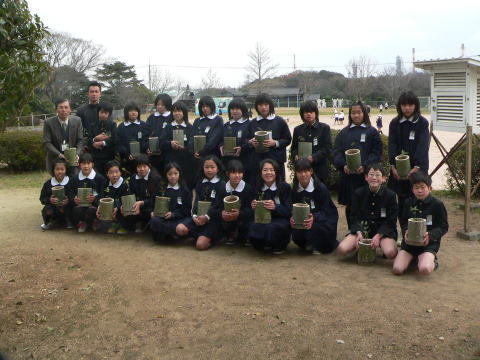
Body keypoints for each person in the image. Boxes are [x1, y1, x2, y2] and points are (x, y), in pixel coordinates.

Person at [333, 101, 383, 227]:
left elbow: (376, 153)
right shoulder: (343, 133)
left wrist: (365, 166)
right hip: (348, 177)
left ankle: (367, 233)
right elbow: (336, 152)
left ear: (364, 113)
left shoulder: (372, 132)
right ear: (350, 115)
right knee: (351, 206)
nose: (356, 115)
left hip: (365, 177)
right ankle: (352, 231)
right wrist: (343, 165)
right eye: (353, 113)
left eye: (359, 112)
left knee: (367, 204)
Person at [336, 164, 398, 260]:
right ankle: (357, 247)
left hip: (382, 232)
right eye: (371, 174)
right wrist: (359, 233)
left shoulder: (391, 196)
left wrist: (379, 235)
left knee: (391, 253)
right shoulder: (358, 193)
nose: (374, 177)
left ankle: (382, 244)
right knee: (341, 249)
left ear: (384, 179)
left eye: (377, 175)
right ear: (366, 177)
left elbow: (391, 221)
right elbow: (353, 216)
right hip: (362, 230)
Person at [393, 172, 448, 275]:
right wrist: (406, 231)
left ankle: (432, 261)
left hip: (428, 244)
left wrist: (430, 235)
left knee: (424, 269)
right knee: (397, 269)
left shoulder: (437, 204)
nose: (419, 190)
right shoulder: (408, 202)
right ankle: (414, 258)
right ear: (412, 190)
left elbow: (443, 226)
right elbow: (403, 221)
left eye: (423, 187)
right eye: (416, 188)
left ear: (430, 188)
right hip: (409, 244)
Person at [388, 91, 430, 217]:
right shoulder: (395, 123)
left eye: (410, 105)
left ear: (416, 105)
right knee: (402, 201)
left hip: (418, 168)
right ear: (399, 106)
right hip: (399, 170)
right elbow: (392, 145)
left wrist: (416, 167)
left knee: (418, 197)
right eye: (404, 105)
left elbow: (422, 147)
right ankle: (405, 230)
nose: (407, 108)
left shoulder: (422, 123)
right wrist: (392, 166)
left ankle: (419, 231)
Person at [176, 155, 226, 250]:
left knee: (200, 245)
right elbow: (195, 201)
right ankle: (200, 235)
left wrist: (207, 217)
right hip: (198, 218)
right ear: (202, 168)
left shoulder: (222, 185)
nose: (209, 170)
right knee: (179, 229)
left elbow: (219, 207)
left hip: (212, 220)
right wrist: (194, 216)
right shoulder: (200, 182)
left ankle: (215, 237)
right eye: (206, 167)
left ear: (218, 168)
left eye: (212, 167)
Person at [290, 158, 338, 254]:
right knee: (297, 233)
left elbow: (326, 211)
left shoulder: (320, 188)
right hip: (304, 221)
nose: (303, 175)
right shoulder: (294, 189)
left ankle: (319, 245)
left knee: (315, 229)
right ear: (296, 173)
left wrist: (314, 217)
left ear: (311, 171)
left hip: (323, 219)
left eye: (306, 171)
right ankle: (307, 243)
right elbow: (291, 208)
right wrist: (292, 217)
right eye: (300, 172)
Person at [207, 159, 255, 246]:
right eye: (233, 173)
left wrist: (240, 213)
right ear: (227, 174)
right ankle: (229, 235)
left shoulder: (248, 189)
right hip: (227, 221)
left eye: (240, 172)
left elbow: (252, 210)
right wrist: (222, 213)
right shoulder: (222, 189)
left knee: (248, 223)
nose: (237, 176)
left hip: (244, 220)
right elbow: (213, 209)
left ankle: (244, 236)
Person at [249, 159, 292, 255]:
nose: (268, 173)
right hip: (261, 219)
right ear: (260, 172)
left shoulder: (284, 187)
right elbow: (250, 211)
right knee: (253, 226)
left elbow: (289, 211)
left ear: (276, 172)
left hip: (280, 220)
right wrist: (253, 207)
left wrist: (275, 207)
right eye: (265, 170)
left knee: (273, 228)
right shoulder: (256, 187)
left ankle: (279, 245)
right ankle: (264, 244)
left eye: (271, 170)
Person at [247, 93, 292, 182]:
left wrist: (275, 143)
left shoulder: (279, 121)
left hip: (276, 161)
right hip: (258, 162)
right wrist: (250, 142)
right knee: (260, 186)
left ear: (270, 106)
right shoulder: (253, 123)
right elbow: (246, 139)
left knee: (279, 186)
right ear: (256, 107)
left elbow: (288, 139)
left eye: (266, 105)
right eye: (260, 105)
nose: (263, 107)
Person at [290, 100, 332, 183]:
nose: (309, 114)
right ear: (302, 114)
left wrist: (314, 157)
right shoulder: (297, 130)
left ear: (316, 113)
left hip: (320, 169)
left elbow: (328, 148)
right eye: (306, 112)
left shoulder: (324, 128)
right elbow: (294, 148)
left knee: (320, 194)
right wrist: (295, 156)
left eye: (311, 111)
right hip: (302, 170)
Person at [150, 162, 192, 242]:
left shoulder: (185, 190)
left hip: (179, 218)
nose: (173, 176)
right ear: (166, 175)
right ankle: (175, 234)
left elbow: (187, 210)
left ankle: (173, 233)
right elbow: (153, 201)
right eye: (170, 174)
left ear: (179, 174)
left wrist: (173, 214)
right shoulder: (161, 188)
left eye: (176, 173)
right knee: (155, 221)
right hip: (163, 218)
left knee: (183, 225)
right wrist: (153, 211)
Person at [118, 155, 161, 233]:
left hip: (150, 206)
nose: (142, 169)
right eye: (139, 166)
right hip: (136, 205)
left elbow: (155, 199)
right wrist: (126, 204)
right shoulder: (134, 178)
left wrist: (142, 203)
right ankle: (130, 228)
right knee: (121, 209)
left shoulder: (155, 178)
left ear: (149, 166)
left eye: (144, 166)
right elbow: (130, 193)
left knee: (152, 214)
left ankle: (146, 227)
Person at [43, 99, 84, 176]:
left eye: (66, 107)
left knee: (73, 183)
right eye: (61, 107)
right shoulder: (48, 122)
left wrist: (77, 154)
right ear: (56, 110)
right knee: (58, 186)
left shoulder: (77, 120)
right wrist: (60, 155)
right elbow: (47, 143)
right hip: (56, 159)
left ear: (70, 109)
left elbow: (80, 140)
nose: (63, 110)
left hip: (73, 160)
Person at [160, 101, 196, 189]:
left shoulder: (190, 127)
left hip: (186, 162)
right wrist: (170, 143)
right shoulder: (168, 127)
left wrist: (185, 147)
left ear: (184, 112)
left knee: (186, 187)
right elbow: (161, 142)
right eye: (175, 111)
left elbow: (193, 144)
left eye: (179, 111)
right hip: (171, 161)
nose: (177, 113)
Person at [71, 153, 106, 233]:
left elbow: (103, 193)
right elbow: (70, 192)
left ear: (92, 164)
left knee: (91, 211)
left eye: (88, 163)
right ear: (79, 165)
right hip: (79, 205)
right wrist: (74, 199)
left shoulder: (99, 178)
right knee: (76, 210)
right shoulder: (74, 179)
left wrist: (95, 198)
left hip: (94, 206)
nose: (86, 166)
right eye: (83, 163)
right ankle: (82, 222)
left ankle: (95, 221)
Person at [219, 98, 251, 181]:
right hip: (228, 162)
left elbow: (252, 141)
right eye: (232, 109)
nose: (234, 111)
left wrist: (242, 147)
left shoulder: (250, 124)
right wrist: (221, 146)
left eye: (237, 109)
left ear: (243, 110)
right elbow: (220, 140)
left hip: (244, 162)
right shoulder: (226, 125)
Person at [116, 102, 150, 175]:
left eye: (135, 111)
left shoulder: (144, 125)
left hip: (142, 161)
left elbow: (146, 140)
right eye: (131, 111)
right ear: (126, 113)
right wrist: (127, 154)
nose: (133, 113)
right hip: (127, 160)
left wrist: (144, 152)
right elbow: (119, 144)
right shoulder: (121, 127)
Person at [39, 159, 74, 230]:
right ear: (53, 170)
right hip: (53, 207)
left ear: (66, 170)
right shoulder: (48, 184)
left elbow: (75, 195)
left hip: (67, 208)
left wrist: (69, 200)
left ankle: (69, 221)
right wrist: (49, 200)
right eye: (57, 169)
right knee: (47, 210)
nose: (60, 171)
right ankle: (51, 221)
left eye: (62, 169)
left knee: (72, 208)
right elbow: (42, 198)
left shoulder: (71, 182)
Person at [97, 160, 130, 234]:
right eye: (111, 172)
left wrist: (117, 207)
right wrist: (99, 205)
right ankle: (113, 224)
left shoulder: (125, 184)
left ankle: (124, 226)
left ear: (120, 172)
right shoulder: (105, 183)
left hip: (120, 209)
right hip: (109, 209)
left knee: (124, 209)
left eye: (116, 172)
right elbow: (101, 196)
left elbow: (125, 200)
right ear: (107, 174)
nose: (114, 175)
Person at [86, 102, 117, 177]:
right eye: (101, 112)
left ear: (109, 114)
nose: (103, 114)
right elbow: (88, 139)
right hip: (96, 157)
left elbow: (114, 139)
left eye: (105, 113)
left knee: (108, 176)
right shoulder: (92, 125)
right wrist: (94, 140)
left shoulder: (112, 125)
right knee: (97, 176)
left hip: (108, 157)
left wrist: (102, 142)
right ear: (98, 112)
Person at [146, 93, 173, 174]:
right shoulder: (151, 117)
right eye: (158, 104)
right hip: (153, 154)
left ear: (167, 105)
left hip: (167, 153)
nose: (160, 106)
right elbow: (146, 133)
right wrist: (147, 147)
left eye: (162, 104)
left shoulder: (171, 117)